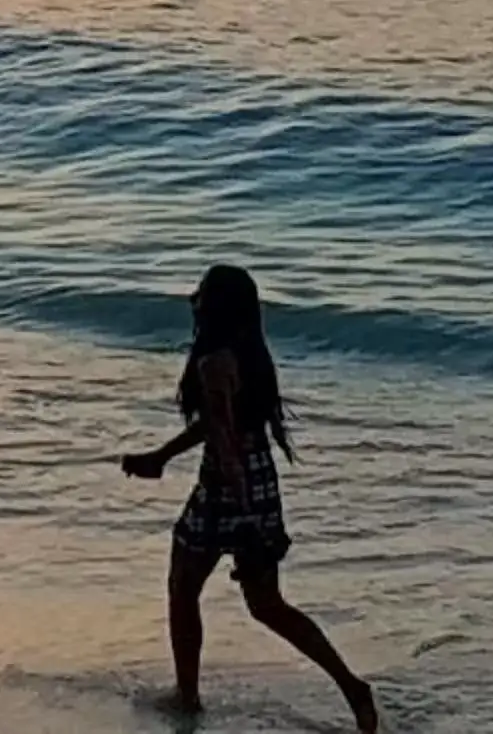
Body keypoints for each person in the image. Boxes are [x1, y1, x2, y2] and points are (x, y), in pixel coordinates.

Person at [123, 266, 375, 730]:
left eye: (201, 292)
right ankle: (351, 686)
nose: (193, 297)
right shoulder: (248, 354)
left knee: (183, 586)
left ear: (215, 305)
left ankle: (187, 697)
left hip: (227, 486)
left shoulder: (214, 362)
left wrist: (244, 519)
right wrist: (160, 456)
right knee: (266, 605)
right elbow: (225, 426)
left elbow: (222, 436)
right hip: (259, 480)